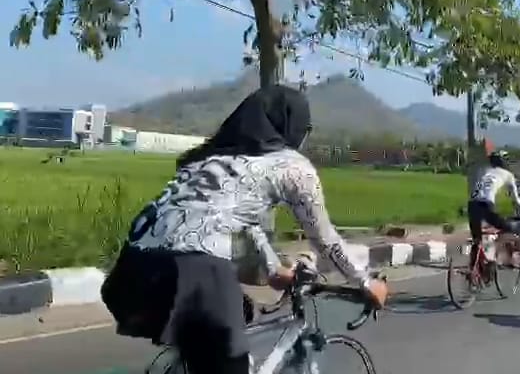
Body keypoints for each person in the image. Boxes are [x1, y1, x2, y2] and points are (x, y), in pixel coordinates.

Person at [99, 85, 388, 374]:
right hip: (194, 271)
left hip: (133, 269)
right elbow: (325, 240)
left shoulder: (212, 159)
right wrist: (365, 283)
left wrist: (274, 269)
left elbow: (245, 223)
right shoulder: (293, 167)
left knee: (237, 315)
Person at [468, 150, 520, 267]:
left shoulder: (485, 172)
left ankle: (473, 268)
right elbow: (516, 200)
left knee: (477, 239)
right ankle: (498, 258)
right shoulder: (508, 175)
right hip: (486, 204)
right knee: (506, 227)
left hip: (472, 204)